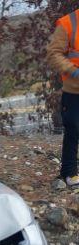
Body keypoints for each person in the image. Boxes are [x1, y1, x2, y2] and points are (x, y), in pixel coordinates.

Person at [47, 9, 79, 187]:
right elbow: (53, 54)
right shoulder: (68, 23)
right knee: (73, 129)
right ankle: (70, 173)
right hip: (74, 90)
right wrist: (73, 70)